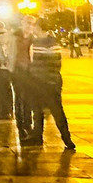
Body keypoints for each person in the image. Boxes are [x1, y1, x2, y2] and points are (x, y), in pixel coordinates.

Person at [18, 19, 75, 150]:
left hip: (44, 82)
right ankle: (61, 138)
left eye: (35, 26)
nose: (33, 29)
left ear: (40, 28)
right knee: (43, 111)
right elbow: (56, 64)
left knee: (52, 111)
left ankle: (63, 138)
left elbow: (37, 62)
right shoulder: (53, 43)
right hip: (49, 81)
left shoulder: (39, 43)